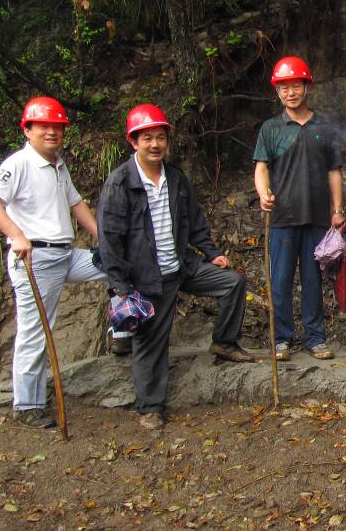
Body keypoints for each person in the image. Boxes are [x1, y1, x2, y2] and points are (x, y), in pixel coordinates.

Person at [98, 104, 254, 430]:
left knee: (232, 282)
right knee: (151, 343)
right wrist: (122, 286)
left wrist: (211, 253)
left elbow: (194, 221)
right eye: (147, 138)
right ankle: (150, 407)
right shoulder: (120, 183)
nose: (155, 144)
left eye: (160, 137)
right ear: (133, 141)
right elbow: (110, 239)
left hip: (182, 265)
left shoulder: (176, 179)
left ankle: (224, 342)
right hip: (147, 278)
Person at [0, 97, 107, 428]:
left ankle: (122, 329)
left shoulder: (58, 164)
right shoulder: (20, 163)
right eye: (44, 126)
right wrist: (16, 235)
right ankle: (27, 405)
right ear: (28, 129)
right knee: (36, 330)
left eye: (57, 126)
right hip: (36, 258)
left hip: (66, 254)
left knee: (118, 265)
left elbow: (76, 203)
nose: (51, 132)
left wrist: (104, 240)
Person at [253, 56, 344, 362]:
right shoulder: (271, 128)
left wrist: (338, 209)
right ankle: (282, 339)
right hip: (282, 217)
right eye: (284, 88)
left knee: (313, 279)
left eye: (295, 86)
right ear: (277, 91)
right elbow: (261, 167)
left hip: (317, 216)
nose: (290, 93)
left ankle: (315, 338)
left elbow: (334, 171)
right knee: (280, 280)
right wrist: (263, 193)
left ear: (307, 87)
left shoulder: (324, 128)